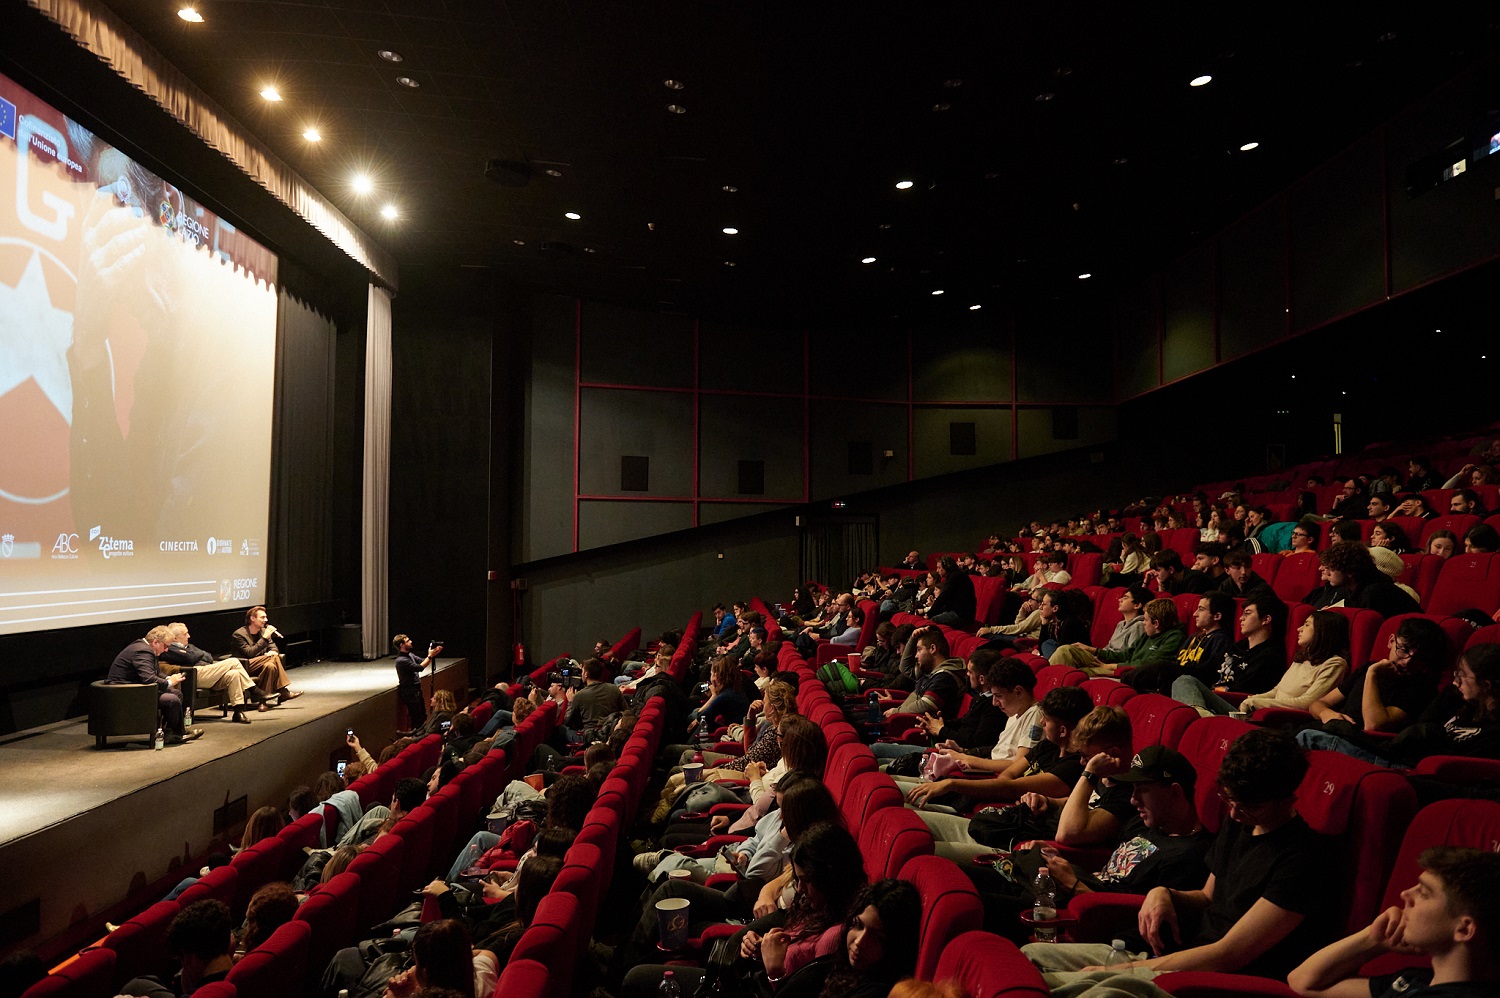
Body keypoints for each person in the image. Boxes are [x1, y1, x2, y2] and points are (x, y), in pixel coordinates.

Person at [1023, 728, 1333, 987]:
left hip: (1212, 981)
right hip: (1179, 956)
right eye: (1230, 800)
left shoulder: (1302, 860)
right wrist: (1165, 894)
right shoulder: (1241, 821)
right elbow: (1208, 897)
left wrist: (1119, 972)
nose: (1235, 813)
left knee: (1072, 988)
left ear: (1288, 798)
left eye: (1249, 805)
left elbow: (1228, 955)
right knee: (1032, 955)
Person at [966, 746, 1212, 941]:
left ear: (1175, 792)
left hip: (1073, 914)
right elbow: (1105, 866)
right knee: (960, 877)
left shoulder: (1191, 854)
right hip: (1059, 888)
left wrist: (1073, 884)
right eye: (1133, 789)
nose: (1134, 799)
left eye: (1143, 790)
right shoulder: (1142, 823)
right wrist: (1059, 859)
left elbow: (1134, 919)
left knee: (965, 905)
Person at [1288, 845, 1500, 998]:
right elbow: (1304, 983)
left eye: (1424, 893)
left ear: (1464, 929)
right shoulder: (1414, 981)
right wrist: (1374, 940)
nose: (1405, 894)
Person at [1295, 644, 1500, 768]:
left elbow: (1455, 767)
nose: (1455, 682)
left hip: (1412, 769)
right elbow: (1422, 725)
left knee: (1309, 737)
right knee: (1309, 732)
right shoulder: (1460, 703)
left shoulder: (1492, 732)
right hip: (1398, 755)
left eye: (1462, 676)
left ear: (1486, 685)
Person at [1301, 616, 1445, 741]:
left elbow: (1374, 725)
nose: (1407, 662)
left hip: (1363, 743)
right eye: (1403, 650)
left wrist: (1372, 676)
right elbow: (1318, 704)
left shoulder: (1422, 686)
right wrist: (1327, 713)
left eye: (1418, 658)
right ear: (1391, 641)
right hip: (1332, 732)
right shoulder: (1369, 667)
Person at [775, 879, 922, 998]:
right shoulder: (840, 965)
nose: (859, 942)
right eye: (858, 925)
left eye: (877, 938)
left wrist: (775, 974)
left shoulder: (875, 991)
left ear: (895, 946)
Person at [1171, 592, 1288, 717]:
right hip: (1217, 697)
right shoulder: (1237, 647)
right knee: (1178, 680)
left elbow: (1247, 691)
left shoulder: (1271, 655)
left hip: (1237, 708)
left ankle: (1197, 718)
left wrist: (1214, 691)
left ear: (1266, 619)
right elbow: (1213, 672)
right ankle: (1197, 715)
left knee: (1185, 681)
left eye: (1247, 614)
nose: (1241, 618)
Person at [1237, 610, 1350, 714]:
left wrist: (1257, 704)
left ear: (1322, 631)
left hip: (1285, 719)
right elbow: (1277, 691)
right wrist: (1253, 699)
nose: (1299, 629)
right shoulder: (1303, 657)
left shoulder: (1335, 664)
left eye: (1306, 625)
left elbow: (1308, 703)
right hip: (1270, 712)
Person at [104, 625, 202, 744]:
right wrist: (170, 682)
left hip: (136, 688)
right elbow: (148, 678)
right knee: (171, 699)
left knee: (176, 694)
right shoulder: (142, 651)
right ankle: (175, 734)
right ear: (156, 642)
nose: (166, 650)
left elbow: (155, 672)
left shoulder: (146, 648)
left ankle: (172, 732)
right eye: (165, 646)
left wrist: (167, 677)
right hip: (125, 693)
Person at [1128, 592, 1235, 695]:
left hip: (1192, 687)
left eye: (1201, 609)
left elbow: (1209, 674)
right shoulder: (1194, 637)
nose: (1195, 614)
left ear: (1217, 616)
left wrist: (1171, 670)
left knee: (1163, 666)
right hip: (1175, 683)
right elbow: (1178, 661)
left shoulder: (1222, 640)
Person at [160, 622, 259, 722]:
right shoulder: (170, 649)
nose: (188, 636)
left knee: (234, 674)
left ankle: (238, 712)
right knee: (233, 661)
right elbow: (189, 658)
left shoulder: (188, 647)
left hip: (207, 673)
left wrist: (195, 654)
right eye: (185, 634)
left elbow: (209, 657)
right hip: (193, 676)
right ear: (175, 638)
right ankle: (253, 690)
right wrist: (195, 654)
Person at [1049, 586, 1150, 671]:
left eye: (1125, 597)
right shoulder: (1120, 624)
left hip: (1113, 665)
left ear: (1137, 605)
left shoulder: (1139, 626)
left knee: (1065, 650)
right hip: (1103, 658)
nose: (1120, 600)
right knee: (1059, 650)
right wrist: (1097, 655)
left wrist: (1094, 651)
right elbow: (1109, 646)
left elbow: (1128, 656)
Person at [1311, 542, 1421, 618]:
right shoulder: (1353, 588)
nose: (1324, 570)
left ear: (1350, 571)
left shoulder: (1375, 592)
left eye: (1331, 568)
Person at [230, 607, 300, 704]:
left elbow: (274, 648)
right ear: (252, 618)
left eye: (266, 617)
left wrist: (272, 652)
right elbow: (249, 653)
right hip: (244, 666)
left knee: (270, 666)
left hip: (262, 665)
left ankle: (262, 702)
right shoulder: (239, 635)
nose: (266, 620)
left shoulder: (263, 631)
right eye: (262, 617)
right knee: (272, 658)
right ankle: (283, 691)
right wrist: (264, 638)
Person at [392, 633, 443, 730]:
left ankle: (419, 735)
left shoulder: (410, 655)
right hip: (409, 691)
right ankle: (416, 737)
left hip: (415, 690)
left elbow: (422, 661)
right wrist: (430, 656)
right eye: (407, 641)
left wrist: (432, 654)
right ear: (401, 645)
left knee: (422, 715)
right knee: (416, 717)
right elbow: (419, 667)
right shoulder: (401, 660)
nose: (410, 641)